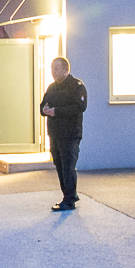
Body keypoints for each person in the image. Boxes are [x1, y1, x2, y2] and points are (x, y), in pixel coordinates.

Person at [40, 57, 87, 212]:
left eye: (56, 69)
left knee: (68, 166)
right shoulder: (52, 87)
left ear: (66, 69)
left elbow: (80, 106)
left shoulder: (76, 86)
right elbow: (43, 106)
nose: (53, 72)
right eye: (52, 69)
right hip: (55, 133)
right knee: (59, 165)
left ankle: (69, 201)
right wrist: (44, 110)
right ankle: (69, 195)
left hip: (70, 134)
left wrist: (57, 111)